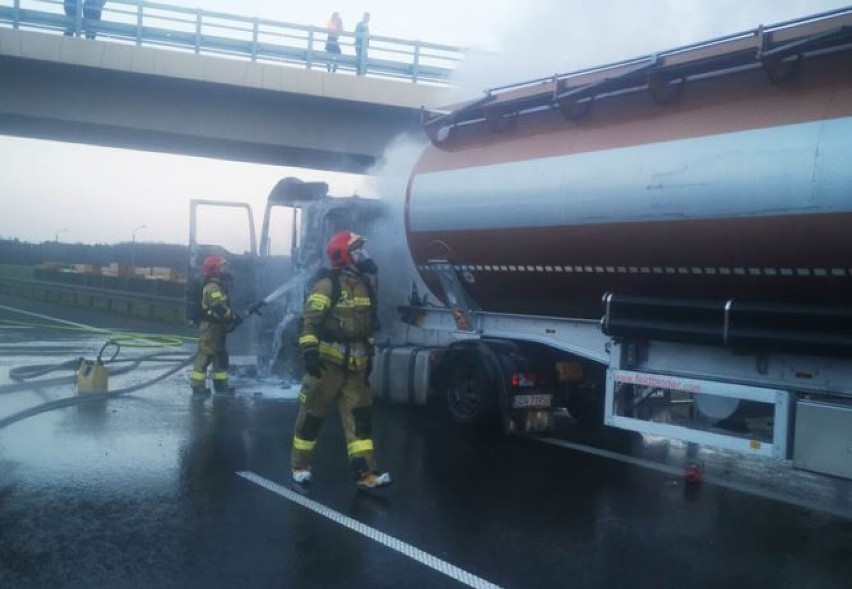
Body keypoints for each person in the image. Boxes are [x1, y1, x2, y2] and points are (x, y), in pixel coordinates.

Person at [290, 231, 391, 490]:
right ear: (343, 256)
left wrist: (368, 359)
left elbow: (368, 328)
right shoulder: (328, 285)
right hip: (326, 368)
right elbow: (309, 323)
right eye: (357, 251)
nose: (363, 256)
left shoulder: (365, 286)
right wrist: (310, 354)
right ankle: (300, 466)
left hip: (355, 370)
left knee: (360, 422)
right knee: (312, 417)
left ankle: (365, 474)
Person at [189, 256, 242, 396]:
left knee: (220, 355)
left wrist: (231, 317)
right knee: (206, 354)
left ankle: (221, 385)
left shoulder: (220, 284)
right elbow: (218, 306)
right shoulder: (212, 286)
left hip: (218, 325)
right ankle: (197, 386)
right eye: (222, 267)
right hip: (210, 326)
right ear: (214, 269)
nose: (226, 270)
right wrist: (233, 316)